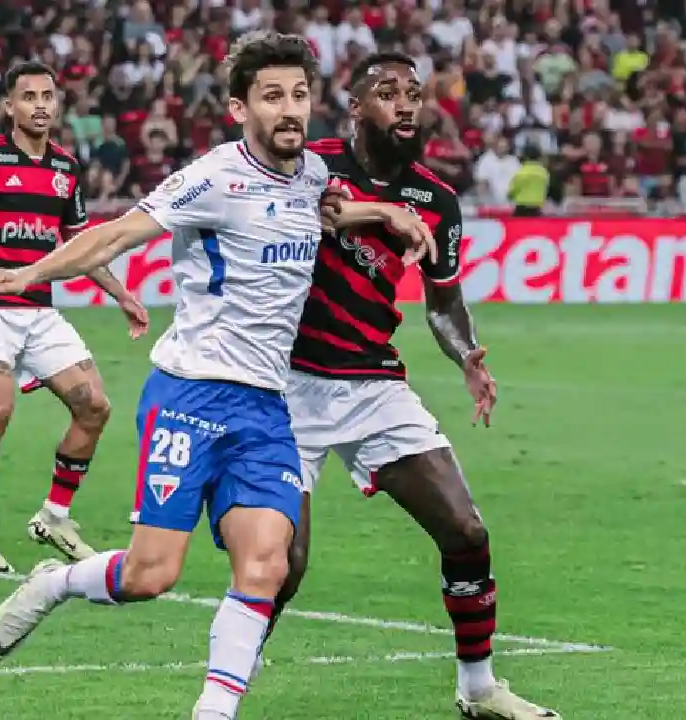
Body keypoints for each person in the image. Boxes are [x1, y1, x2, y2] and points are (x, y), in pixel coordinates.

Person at [0, 32, 434, 720]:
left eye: (299, 96)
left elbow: (332, 208)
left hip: (267, 408)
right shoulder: (213, 177)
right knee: (150, 575)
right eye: (272, 96)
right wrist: (30, 273)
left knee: (267, 566)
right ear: (237, 107)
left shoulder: (310, 174)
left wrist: (387, 212)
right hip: (190, 394)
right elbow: (116, 234)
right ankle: (58, 582)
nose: (289, 110)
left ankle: (212, 714)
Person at [268, 53, 562, 719]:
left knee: (465, 531)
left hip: (371, 384)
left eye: (414, 95)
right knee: (283, 568)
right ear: (354, 107)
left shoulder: (435, 199)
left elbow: (442, 301)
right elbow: (315, 211)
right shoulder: (310, 165)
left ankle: (479, 688)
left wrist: (466, 355)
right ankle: (223, 691)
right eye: (387, 93)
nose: (406, 106)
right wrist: (379, 214)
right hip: (286, 385)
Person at [0, 60, 150, 575]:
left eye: (48, 96)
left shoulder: (66, 170)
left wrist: (122, 294)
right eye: (29, 97)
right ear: (9, 106)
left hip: (40, 311)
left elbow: (80, 245)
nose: (40, 105)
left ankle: (55, 515)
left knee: (94, 406)